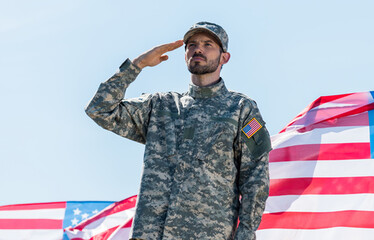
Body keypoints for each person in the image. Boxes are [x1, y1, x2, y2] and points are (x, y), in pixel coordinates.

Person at [85, 22, 271, 240]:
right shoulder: (160, 106)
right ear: (185, 55)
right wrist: (137, 65)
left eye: (208, 44)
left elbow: (255, 177)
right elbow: (99, 110)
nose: (198, 49)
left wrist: (246, 234)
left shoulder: (241, 109)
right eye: (192, 45)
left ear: (224, 58)